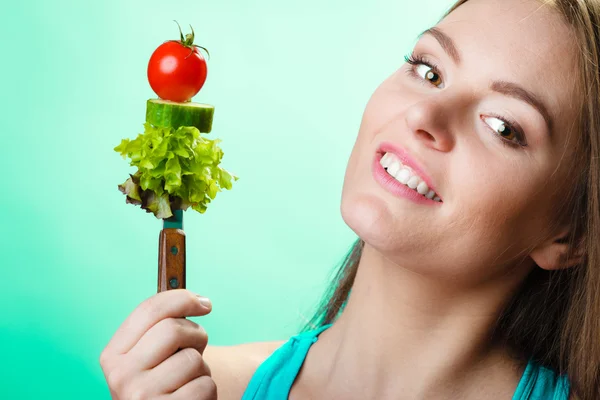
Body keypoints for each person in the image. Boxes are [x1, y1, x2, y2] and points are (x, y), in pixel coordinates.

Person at [99, 0, 600, 398]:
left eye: (503, 126)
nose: (426, 115)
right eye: (428, 71)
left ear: (570, 233)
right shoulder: (202, 392)